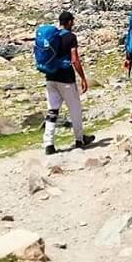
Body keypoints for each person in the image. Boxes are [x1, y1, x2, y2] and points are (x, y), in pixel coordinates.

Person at [42, 10, 95, 155]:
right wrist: (82, 77)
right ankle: (79, 139)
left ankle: (48, 144)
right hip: (66, 79)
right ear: (70, 22)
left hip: (50, 78)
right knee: (75, 109)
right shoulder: (70, 37)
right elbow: (74, 60)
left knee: (52, 111)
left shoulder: (52, 37)